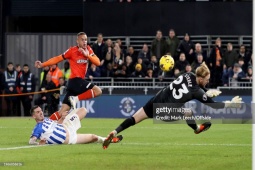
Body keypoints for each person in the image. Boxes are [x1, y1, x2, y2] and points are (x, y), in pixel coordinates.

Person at [102, 62, 242, 149]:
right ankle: (197, 129)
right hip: (165, 111)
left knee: (134, 118)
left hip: (156, 99)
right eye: (206, 80)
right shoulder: (197, 91)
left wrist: (206, 91)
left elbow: (194, 86)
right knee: (188, 112)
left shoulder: (188, 74)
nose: (207, 81)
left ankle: (114, 132)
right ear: (200, 78)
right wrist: (230, 104)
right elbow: (214, 105)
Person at [35, 32, 102, 120]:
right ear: (77, 41)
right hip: (75, 81)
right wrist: (43, 64)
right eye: (82, 40)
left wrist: (87, 55)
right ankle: (75, 99)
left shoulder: (88, 50)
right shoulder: (72, 51)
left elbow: (98, 62)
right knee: (98, 91)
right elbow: (57, 58)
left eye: (86, 40)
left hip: (75, 84)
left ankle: (45, 125)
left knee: (62, 111)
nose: (85, 42)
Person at [29, 105, 123, 145]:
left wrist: (62, 118)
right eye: (38, 112)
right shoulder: (38, 128)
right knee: (93, 137)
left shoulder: (47, 120)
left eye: (41, 110)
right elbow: (31, 141)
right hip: (71, 139)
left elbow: (56, 125)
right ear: (33, 116)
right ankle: (108, 140)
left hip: (68, 126)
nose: (41, 113)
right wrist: (38, 143)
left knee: (83, 110)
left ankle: (74, 106)